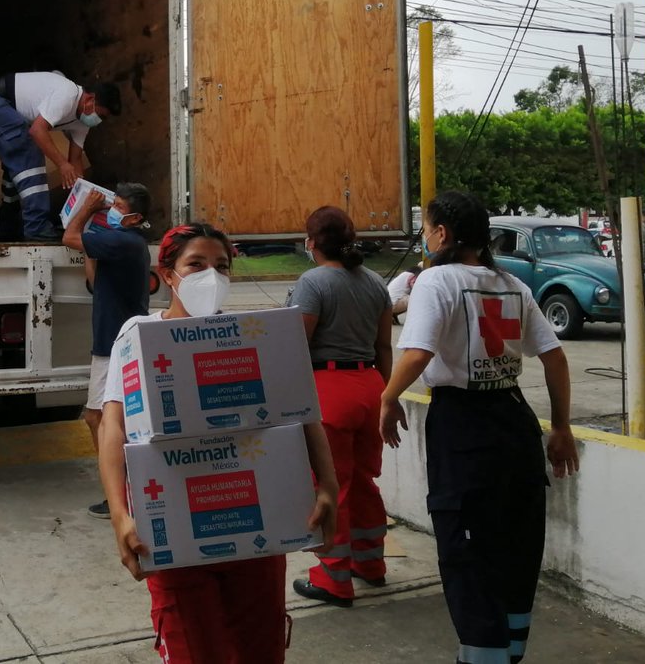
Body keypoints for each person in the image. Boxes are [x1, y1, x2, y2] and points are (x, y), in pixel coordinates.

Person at [98, 222, 339, 664]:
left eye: (222, 266)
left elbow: (301, 411)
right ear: (168, 274)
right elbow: (112, 426)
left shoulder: (251, 334)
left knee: (260, 651)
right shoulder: (138, 334)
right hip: (176, 534)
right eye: (196, 264)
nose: (211, 275)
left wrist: (327, 484)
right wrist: (120, 515)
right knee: (193, 650)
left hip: (254, 529)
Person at [380, 190, 579, 664]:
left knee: (467, 551)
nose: (426, 239)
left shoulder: (435, 280)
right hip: (514, 419)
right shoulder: (511, 284)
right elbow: (554, 357)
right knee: (515, 546)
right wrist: (561, 427)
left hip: (464, 425)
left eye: (427, 231)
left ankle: (482, 656)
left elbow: (418, 352)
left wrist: (387, 397)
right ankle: (510, 652)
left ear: (442, 233)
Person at [289, 206, 393, 608]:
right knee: (365, 480)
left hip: (330, 389)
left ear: (312, 242)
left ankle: (333, 578)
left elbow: (296, 345)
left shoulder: (312, 282)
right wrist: (387, 396)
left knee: (333, 485)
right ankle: (371, 563)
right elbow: (383, 346)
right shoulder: (375, 282)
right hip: (371, 386)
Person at [62, 183, 152, 519]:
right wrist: (91, 239)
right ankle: (124, 490)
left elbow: (69, 238)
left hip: (113, 344)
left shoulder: (124, 241)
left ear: (135, 217)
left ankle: (120, 493)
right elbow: (93, 278)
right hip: (113, 340)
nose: (112, 210)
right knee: (109, 418)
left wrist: (85, 210)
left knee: (96, 417)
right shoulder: (121, 244)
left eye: (118, 206)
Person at [0, 72, 121, 241]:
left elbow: (75, 159)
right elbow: (37, 130)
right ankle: (37, 229)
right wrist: (62, 165)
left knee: (17, 167)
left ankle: (8, 227)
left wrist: (81, 194)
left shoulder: (82, 122)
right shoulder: (68, 95)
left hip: (4, 108)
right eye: (100, 115)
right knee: (30, 154)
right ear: (90, 100)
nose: (98, 121)